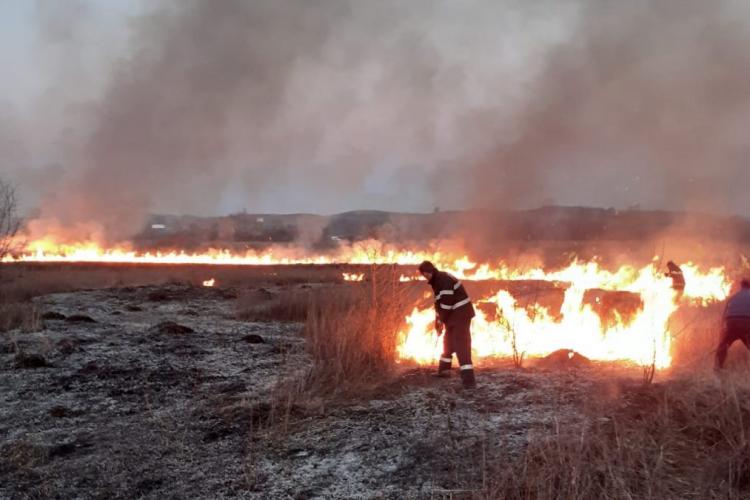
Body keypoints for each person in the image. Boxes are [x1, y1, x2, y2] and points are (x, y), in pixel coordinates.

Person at [418, 260, 476, 388]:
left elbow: (446, 303)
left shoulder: (442, 279)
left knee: (462, 346)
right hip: (453, 316)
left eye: (426, 274)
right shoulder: (437, 280)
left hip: (461, 315)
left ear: (430, 271)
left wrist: (442, 320)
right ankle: (444, 371)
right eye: (424, 275)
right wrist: (438, 321)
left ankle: (469, 381)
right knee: (448, 341)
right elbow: (439, 304)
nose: (425, 277)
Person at [715, 279, 750, 370]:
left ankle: (718, 368)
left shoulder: (733, 297)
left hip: (731, 322)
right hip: (747, 323)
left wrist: (722, 333)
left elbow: (724, 316)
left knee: (723, 347)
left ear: (741, 286)